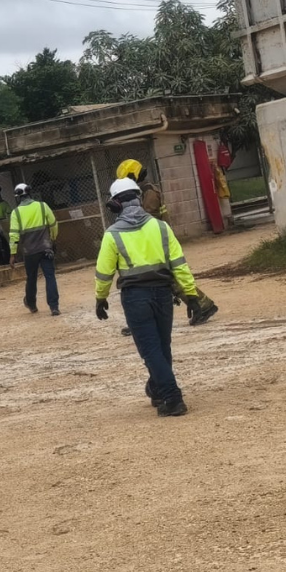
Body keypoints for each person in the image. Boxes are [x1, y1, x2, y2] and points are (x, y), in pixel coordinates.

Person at [94, 178, 199, 417]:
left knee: (151, 350)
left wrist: (100, 298)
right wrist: (191, 296)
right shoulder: (161, 227)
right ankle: (157, 389)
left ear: (115, 205)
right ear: (139, 199)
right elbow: (179, 265)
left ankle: (172, 398)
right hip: (163, 293)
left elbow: (104, 272)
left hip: (135, 298)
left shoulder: (112, 235)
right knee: (162, 347)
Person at [115, 159, 218, 332]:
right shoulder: (142, 192)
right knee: (159, 279)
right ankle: (202, 305)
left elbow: (145, 220)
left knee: (164, 279)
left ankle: (202, 305)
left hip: (156, 242)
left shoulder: (148, 193)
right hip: (150, 242)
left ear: (133, 175)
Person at [8, 183, 60, 316]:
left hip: (29, 252)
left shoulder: (16, 213)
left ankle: (31, 305)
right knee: (50, 276)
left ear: (18, 197)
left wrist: (13, 254)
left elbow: (14, 235)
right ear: (30, 193)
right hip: (45, 248)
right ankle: (54, 307)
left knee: (31, 278)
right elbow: (53, 224)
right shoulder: (43, 206)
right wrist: (52, 239)